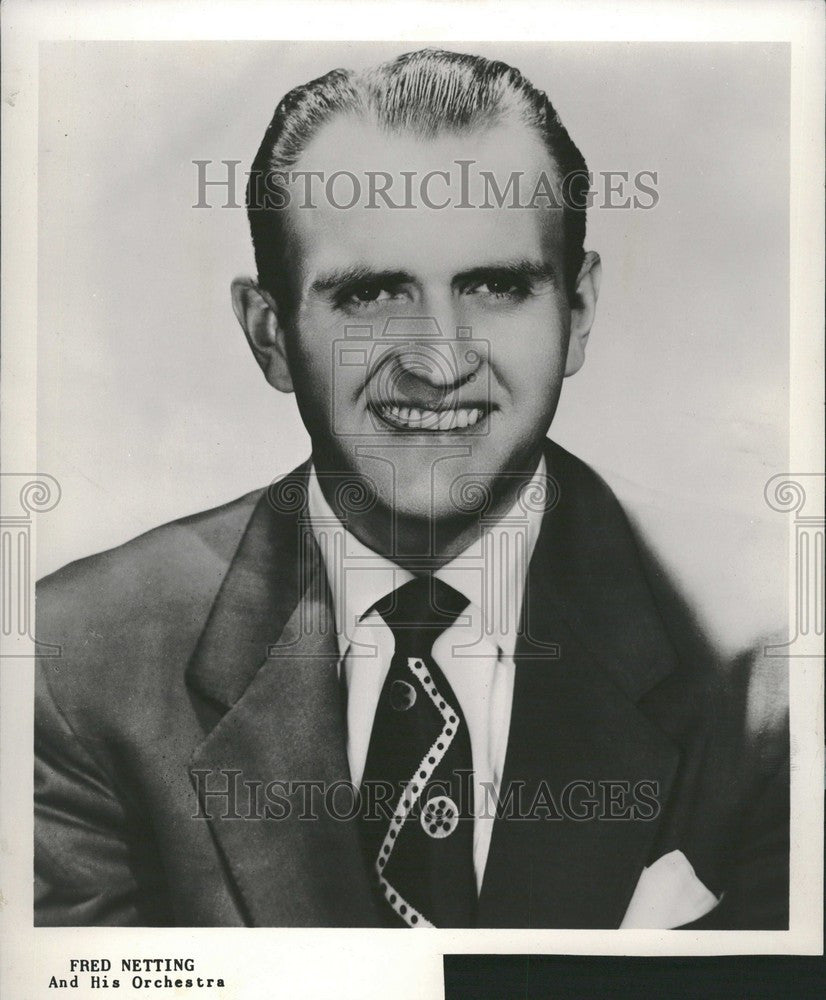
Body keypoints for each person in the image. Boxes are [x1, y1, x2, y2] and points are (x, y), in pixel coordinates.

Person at [34, 48, 788, 928]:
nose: (439, 360)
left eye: (497, 286)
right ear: (269, 334)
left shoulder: (769, 662)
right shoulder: (78, 663)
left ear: (577, 314)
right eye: (370, 294)